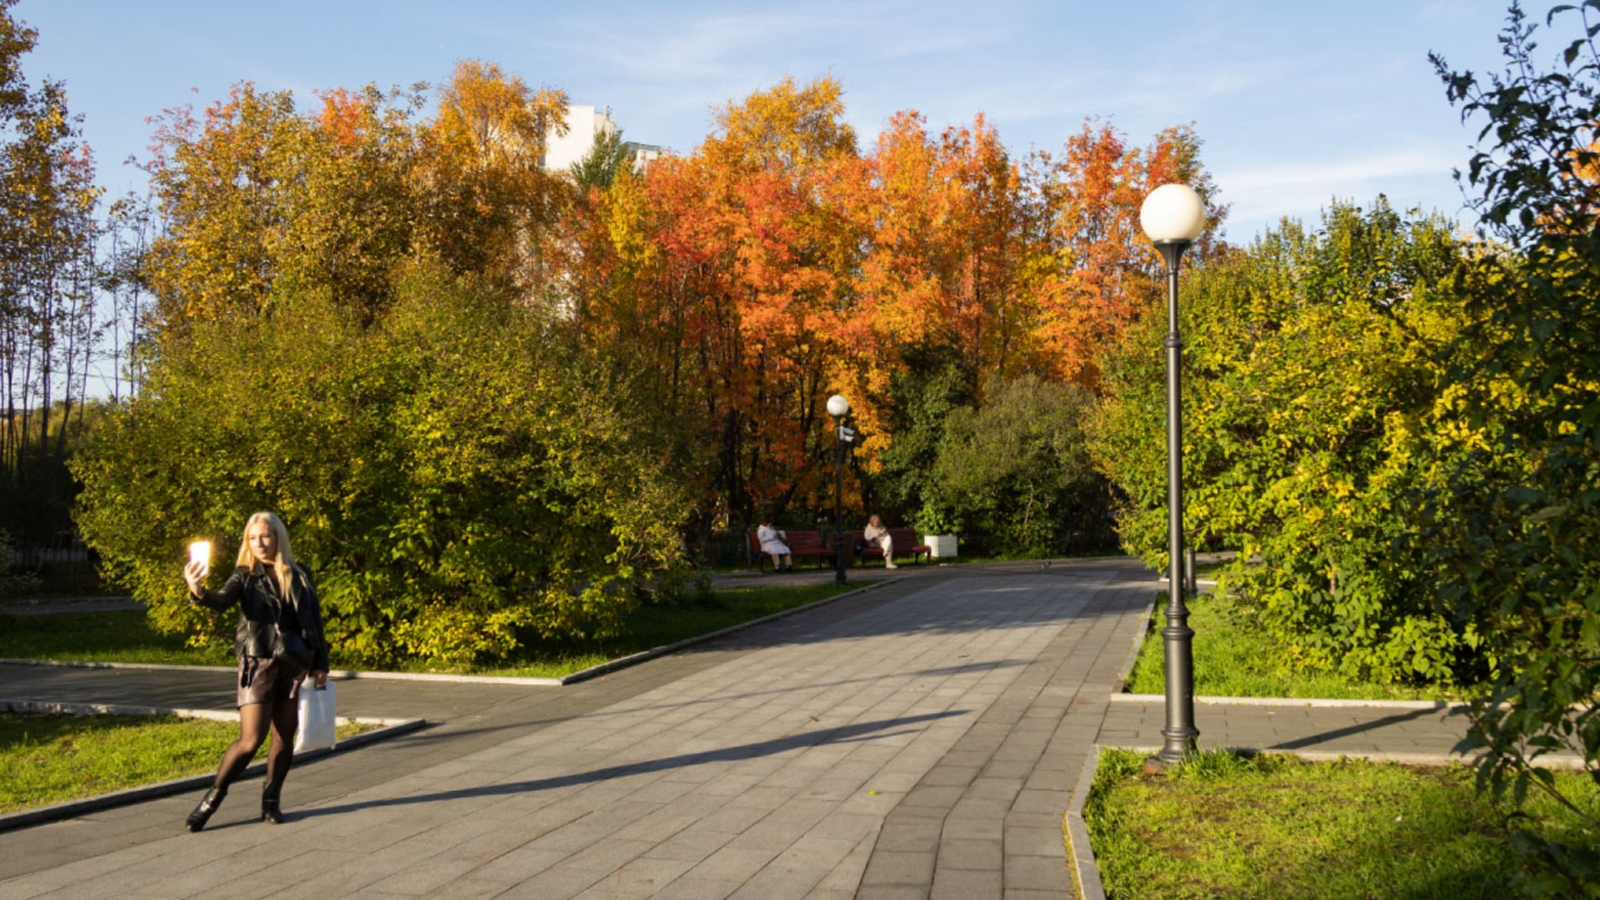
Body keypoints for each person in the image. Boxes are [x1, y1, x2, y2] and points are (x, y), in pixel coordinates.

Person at [181, 512, 329, 831]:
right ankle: (211, 800)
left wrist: (321, 664)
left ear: (277, 538)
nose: (259, 543)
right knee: (251, 740)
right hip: (257, 663)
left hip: (293, 664)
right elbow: (221, 601)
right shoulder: (245, 575)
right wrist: (197, 589)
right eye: (252, 538)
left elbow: (314, 620)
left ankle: (271, 802)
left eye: (264, 536)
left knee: (284, 737)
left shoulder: (300, 574)